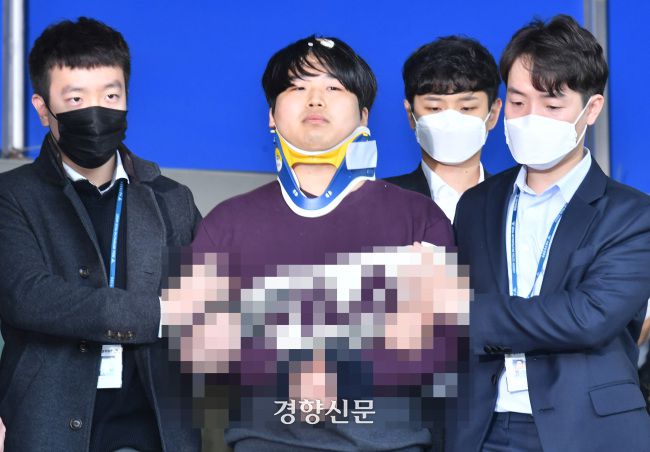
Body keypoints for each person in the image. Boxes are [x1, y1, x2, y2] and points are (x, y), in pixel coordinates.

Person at [165, 35, 459, 451]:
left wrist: (341, 371)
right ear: (271, 114)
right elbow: (193, 345)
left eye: (334, 88)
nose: (316, 100)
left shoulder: (419, 219)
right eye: (298, 87)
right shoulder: (226, 224)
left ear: (364, 115)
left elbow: (442, 346)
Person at [0, 17, 201, 451]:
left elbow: (208, 308)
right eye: (76, 99)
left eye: (111, 96)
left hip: (160, 433)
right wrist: (159, 314)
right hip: (45, 428)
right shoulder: (12, 196)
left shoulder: (171, 199)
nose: (97, 112)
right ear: (43, 108)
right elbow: (27, 296)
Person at [454, 14, 650, 452]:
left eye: (552, 106)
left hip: (586, 431)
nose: (531, 118)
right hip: (480, 428)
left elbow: (588, 317)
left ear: (590, 109)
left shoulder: (633, 215)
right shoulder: (476, 204)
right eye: (518, 102)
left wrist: (458, 313)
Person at [386, 36, 502, 222]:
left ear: (493, 114)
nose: (450, 122)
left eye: (466, 108)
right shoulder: (380, 201)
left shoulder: (511, 202)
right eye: (434, 108)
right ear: (410, 114)